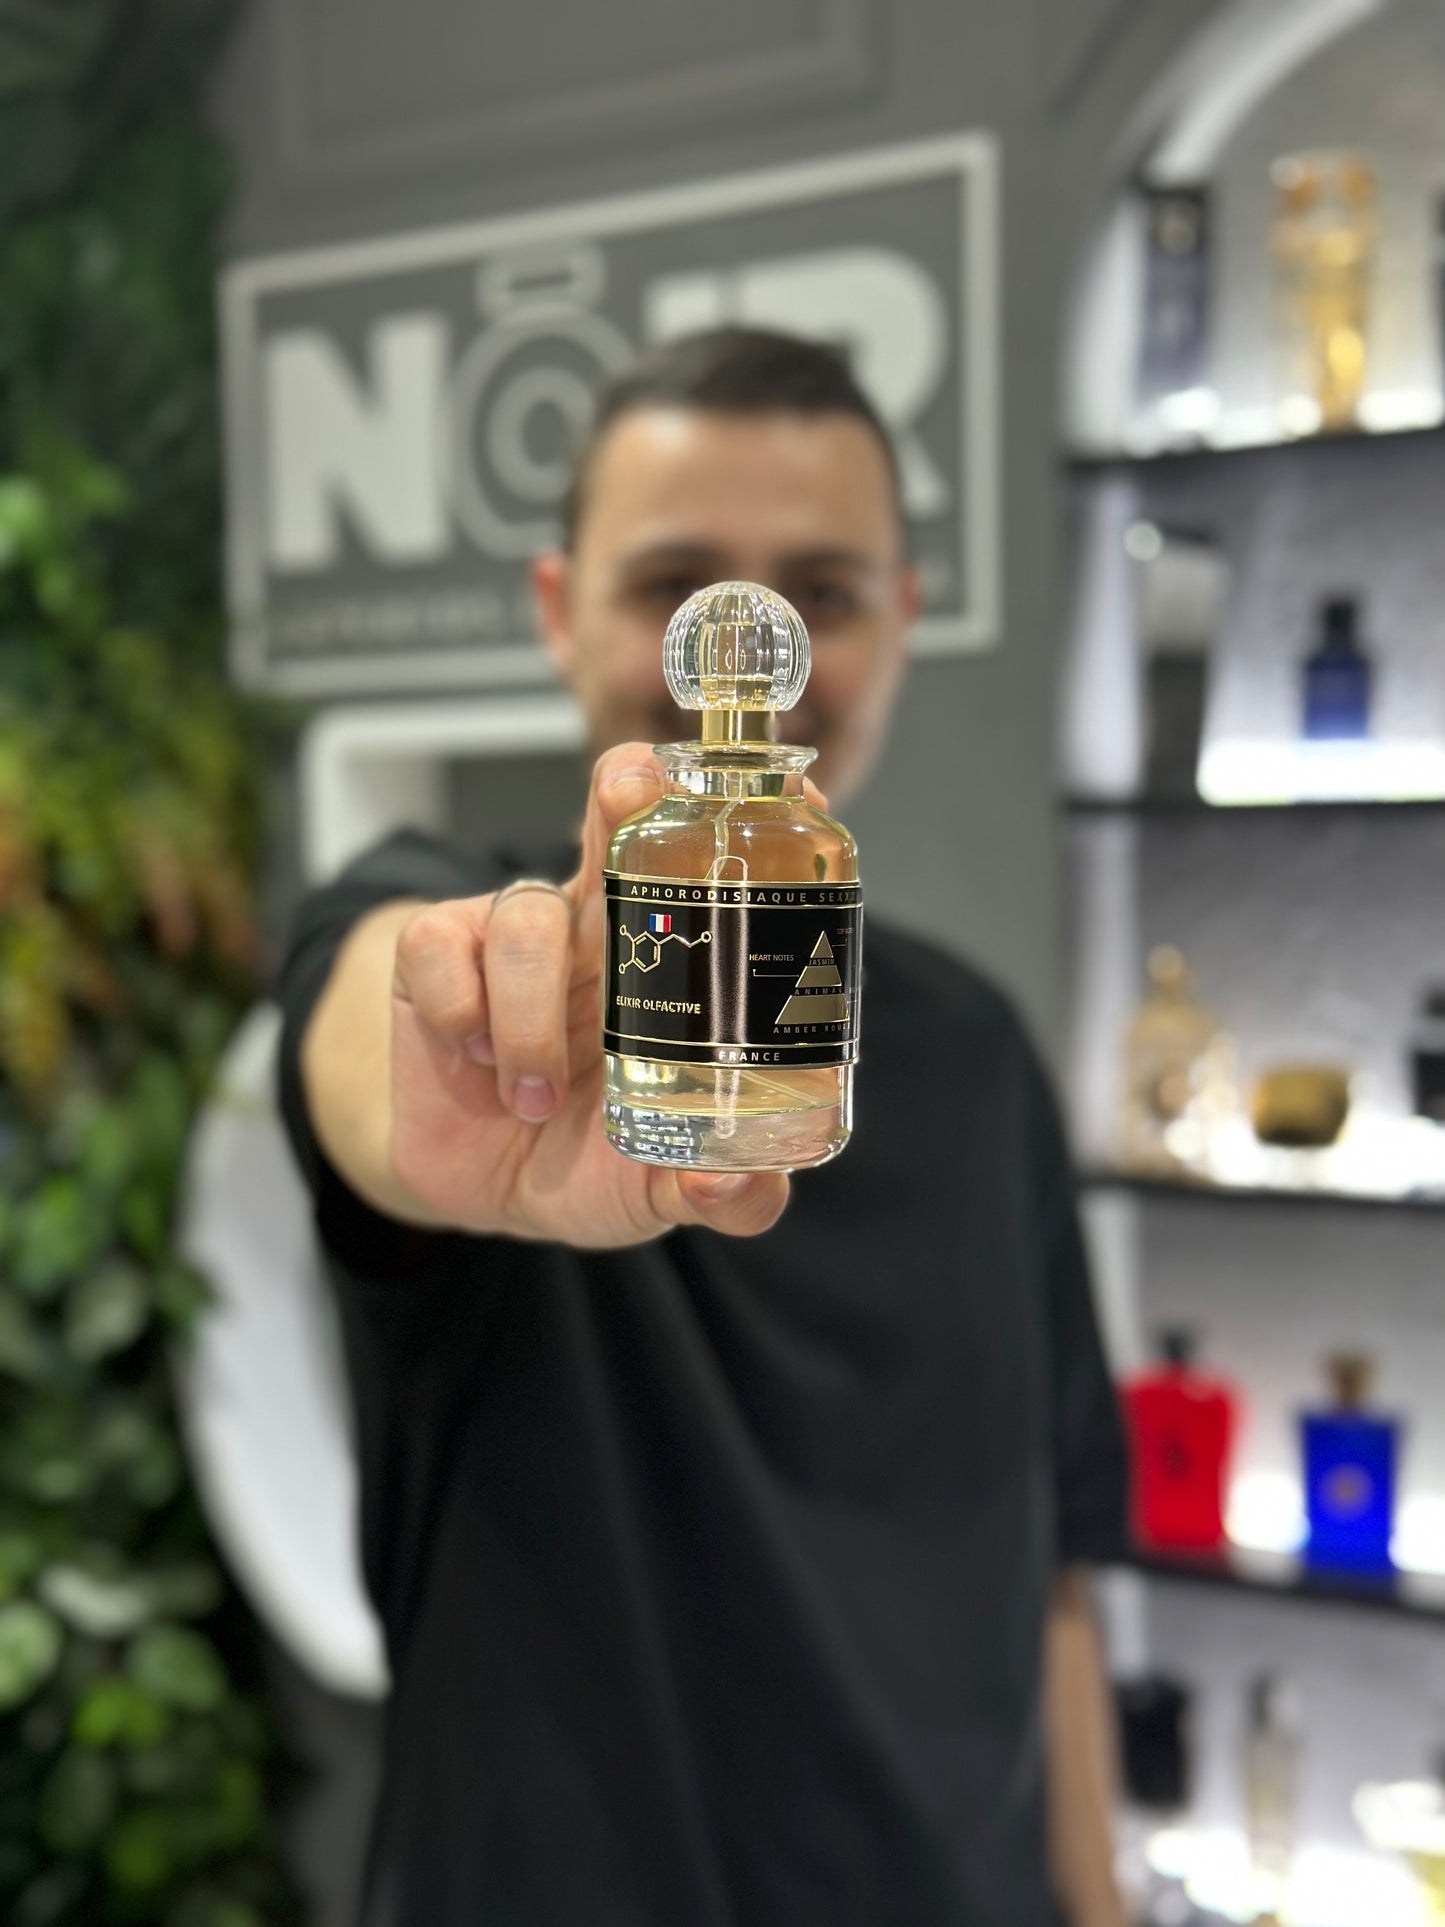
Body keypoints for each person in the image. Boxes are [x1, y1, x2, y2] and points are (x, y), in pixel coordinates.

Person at [279, 329, 1129, 1927]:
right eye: (676, 585)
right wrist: (460, 1065)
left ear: (899, 622)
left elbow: (1053, 1562)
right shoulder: (467, 955)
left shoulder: (980, 1054)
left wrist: (1099, 1903)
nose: (744, 662)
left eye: (824, 593)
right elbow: (363, 1030)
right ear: (560, 610)